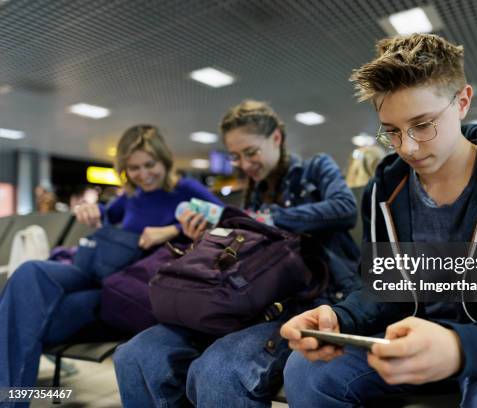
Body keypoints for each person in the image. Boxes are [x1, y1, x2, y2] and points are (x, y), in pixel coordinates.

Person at [281, 33, 477, 407]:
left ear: (463, 102)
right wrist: (340, 319)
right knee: (306, 371)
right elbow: (383, 292)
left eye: (423, 125)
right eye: (391, 131)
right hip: (411, 344)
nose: (407, 147)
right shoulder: (384, 190)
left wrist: (457, 346)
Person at [113, 100, 362, 407]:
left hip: (308, 300)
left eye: (251, 152)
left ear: (276, 139)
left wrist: (263, 220)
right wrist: (207, 236)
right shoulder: (255, 189)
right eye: (235, 157)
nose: (244, 164)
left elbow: (345, 208)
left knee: (217, 371)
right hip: (249, 299)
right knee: (136, 355)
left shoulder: (316, 167)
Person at [0, 125, 221, 393]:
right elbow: (105, 211)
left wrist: (173, 229)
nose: (143, 174)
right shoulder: (130, 196)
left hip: (128, 288)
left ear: (164, 159)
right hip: (98, 272)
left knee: (33, 320)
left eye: (149, 164)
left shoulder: (185, 189)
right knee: (29, 272)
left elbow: (229, 216)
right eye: (134, 168)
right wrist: (92, 210)